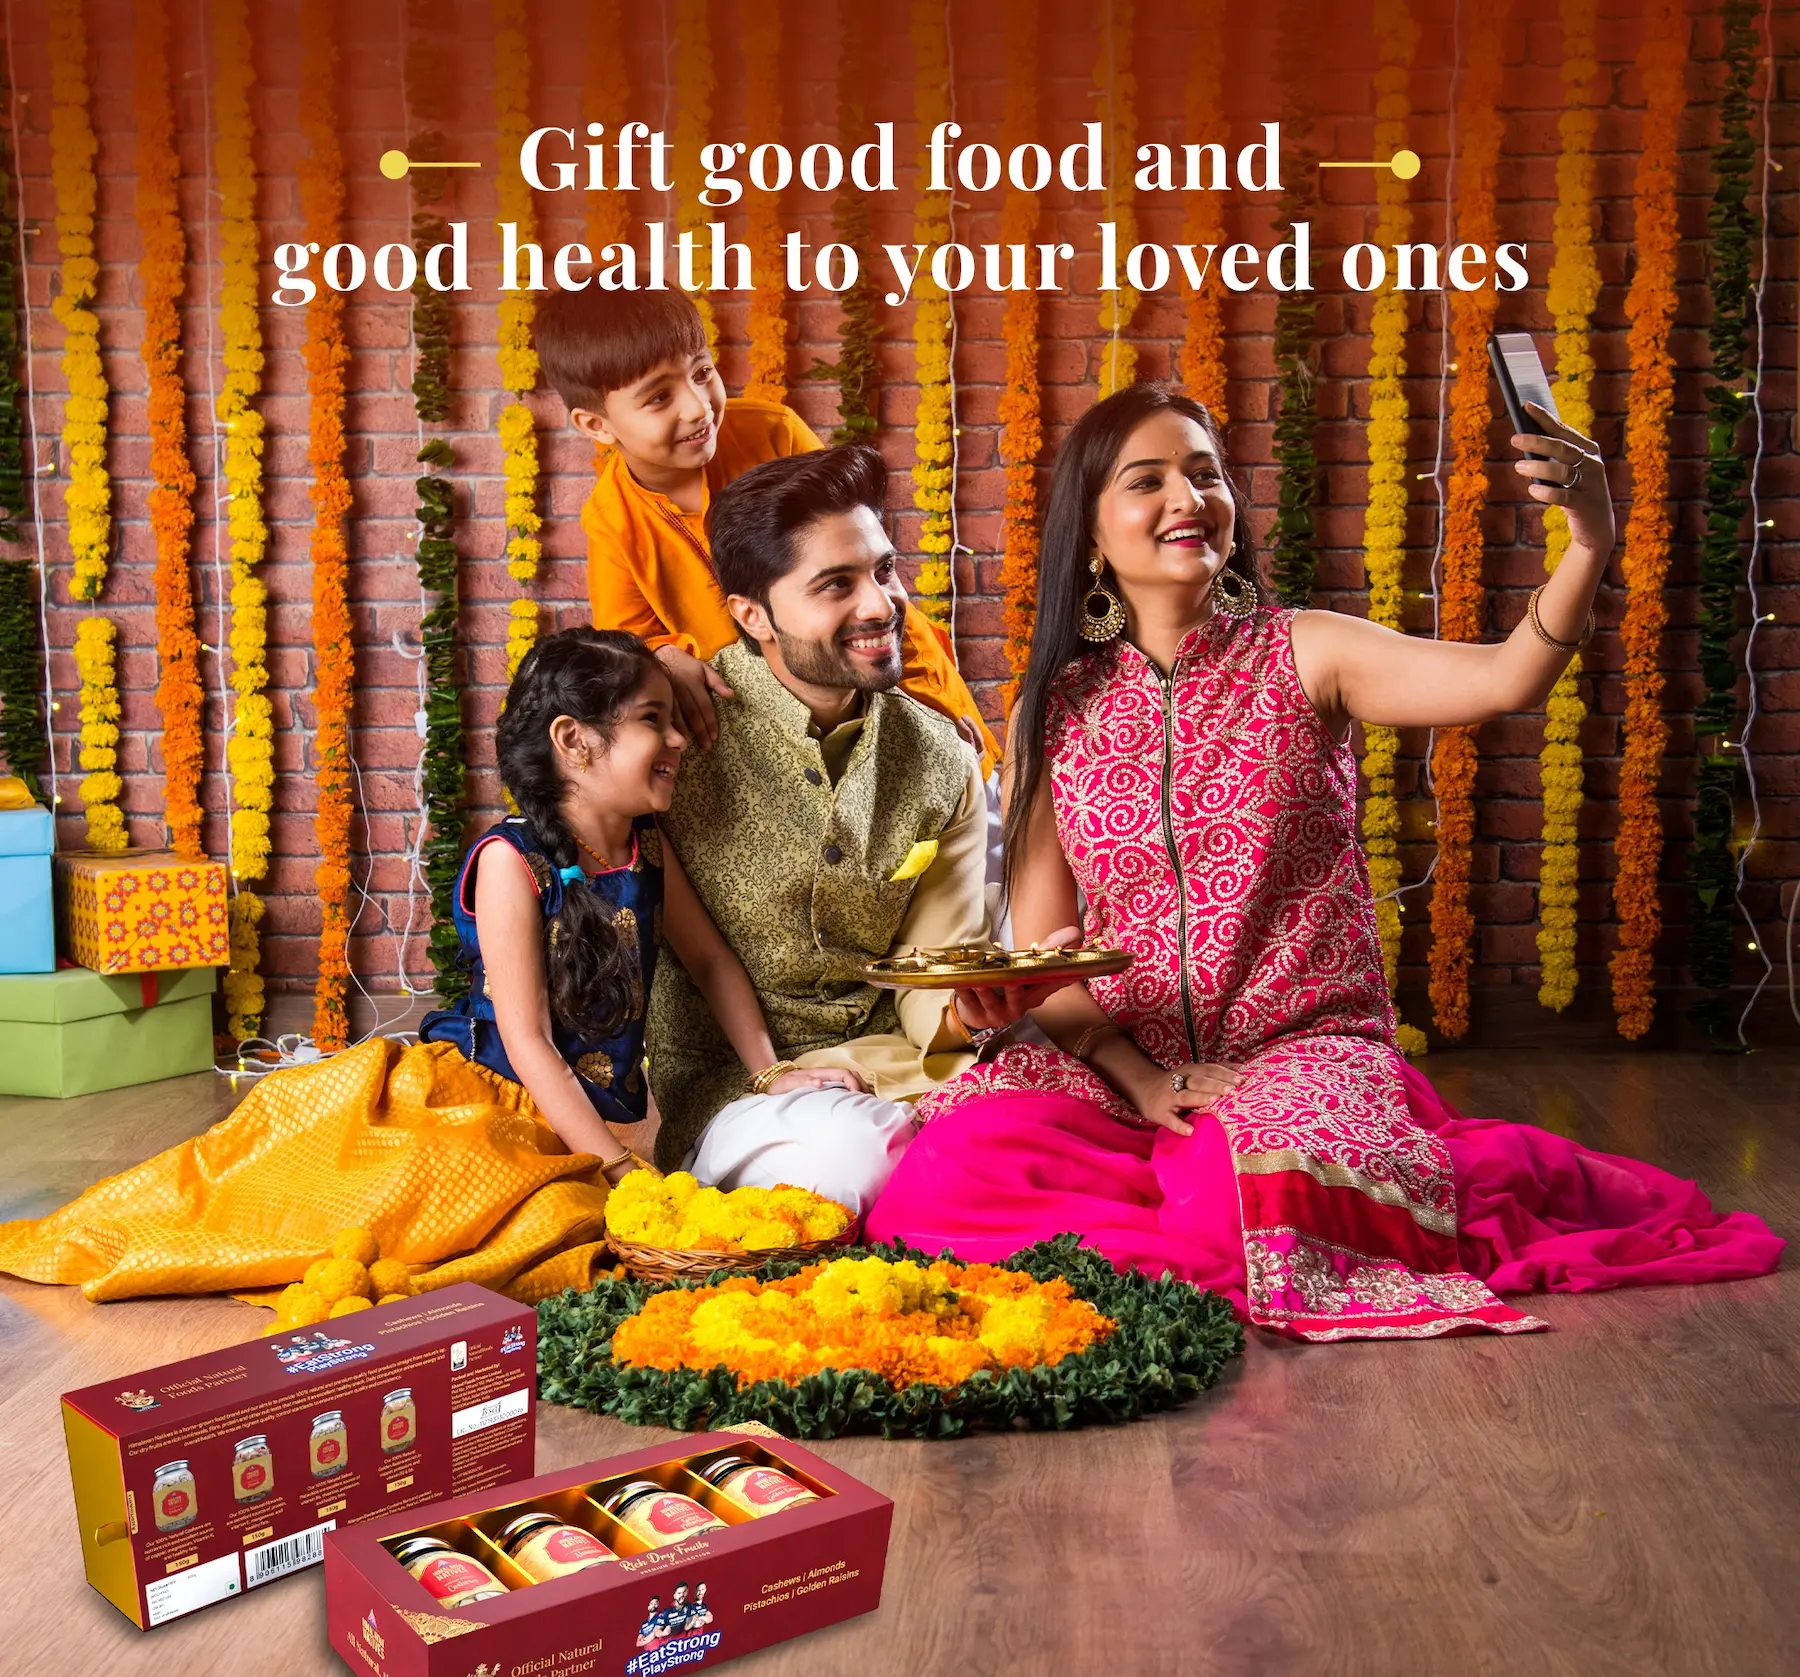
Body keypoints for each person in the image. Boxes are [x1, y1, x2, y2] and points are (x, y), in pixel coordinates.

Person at [865, 382, 1784, 1340]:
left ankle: (1280, 1177)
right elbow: (1047, 959)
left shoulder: (1308, 652)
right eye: (1149, 481)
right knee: (945, 1171)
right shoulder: (1054, 704)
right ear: (1093, 536)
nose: (1188, 498)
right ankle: (1172, 1173)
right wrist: (1135, 1076)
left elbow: (1510, 676)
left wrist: (1590, 539)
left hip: (1300, 1050)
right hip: (1123, 1065)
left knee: (1247, 1206)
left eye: (1205, 474)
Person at [0, 631, 848, 1303]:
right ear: (575, 743)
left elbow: (708, 960)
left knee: (573, 1221)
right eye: (652, 721)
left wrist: (771, 1071)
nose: (676, 740)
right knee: (481, 1222)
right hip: (486, 1099)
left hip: (574, 1118)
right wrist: (621, 1171)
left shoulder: (646, 848)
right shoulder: (510, 863)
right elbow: (528, 1042)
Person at [647, 443, 1072, 1210]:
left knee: (1067, 1106)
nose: (880, 604)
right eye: (835, 585)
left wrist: (967, 1010)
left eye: (882, 570)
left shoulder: (939, 758)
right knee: (855, 1160)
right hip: (742, 1090)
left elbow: (930, 962)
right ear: (753, 616)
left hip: (898, 1068)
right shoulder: (680, 738)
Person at [534, 284, 998, 776]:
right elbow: (626, 644)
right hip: (769, 748)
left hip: (877, 681)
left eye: (701, 372)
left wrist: (931, 703)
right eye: (659, 397)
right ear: (595, 425)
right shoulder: (611, 519)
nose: (697, 407)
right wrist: (667, 655)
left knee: (965, 792)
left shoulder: (774, 434)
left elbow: (873, 580)